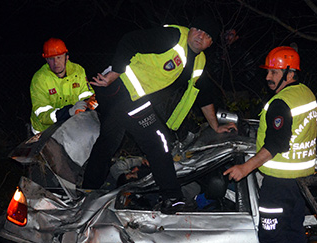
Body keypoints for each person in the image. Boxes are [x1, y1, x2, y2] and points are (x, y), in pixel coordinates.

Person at [82, 15, 237, 212]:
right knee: (158, 141)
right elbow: (130, 41)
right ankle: (172, 197)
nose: (200, 36)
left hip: (128, 96)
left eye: (206, 35)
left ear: (210, 43)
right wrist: (115, 72)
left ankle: (87, 191)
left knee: (109, 142)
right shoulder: (172, 37)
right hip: (121, 89)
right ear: (190, 29)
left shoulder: (199, 61)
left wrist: (215, 125)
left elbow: (203, 94)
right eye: (197, 29)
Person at [223, 46, 317, 243]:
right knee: (294, 231)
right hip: (302, 182)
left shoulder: (280, 103)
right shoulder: (306, 94)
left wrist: (245, 168)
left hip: (278, 183)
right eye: (268, 72)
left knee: (271, 234)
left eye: (275, 72)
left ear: (289, 73)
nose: (269, 77)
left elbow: (277, 144)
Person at [30, 38, 94, 135]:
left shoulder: (78, 70)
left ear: (66, 57)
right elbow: (42, 115)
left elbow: (88, 95)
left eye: (59, 57)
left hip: (71, 124)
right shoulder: (39, 79)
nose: (56, 63)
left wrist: (87, 105)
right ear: (46, 60)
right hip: (45, 130)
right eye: (51, 59)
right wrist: (68, 112)